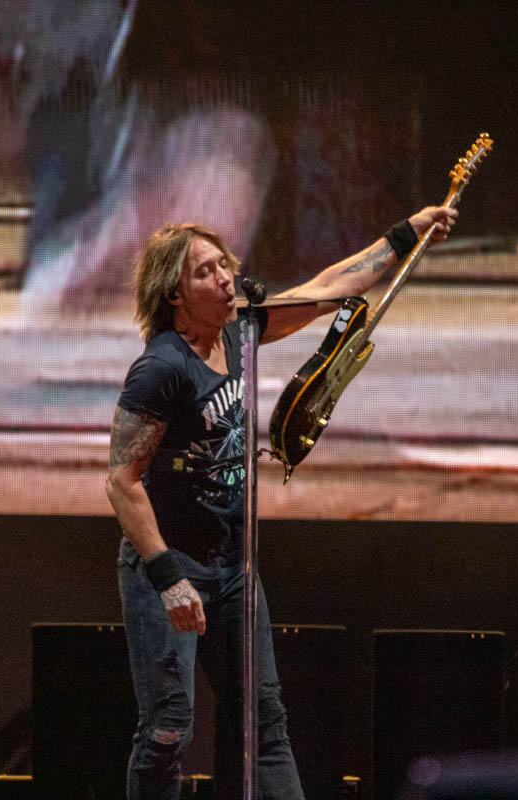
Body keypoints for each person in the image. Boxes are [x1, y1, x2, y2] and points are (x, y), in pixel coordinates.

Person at [105, 204, 457, 799]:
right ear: (174, 294)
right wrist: (168, 577)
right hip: (168, 567)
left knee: (264, 723)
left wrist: (406, 234)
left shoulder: (240, 331)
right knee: (168, 729)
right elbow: (122, 479)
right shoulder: (160, 368)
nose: (224, 278)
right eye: (204, 272)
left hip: (232, 567)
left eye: (224, 264)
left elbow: (327, 289)